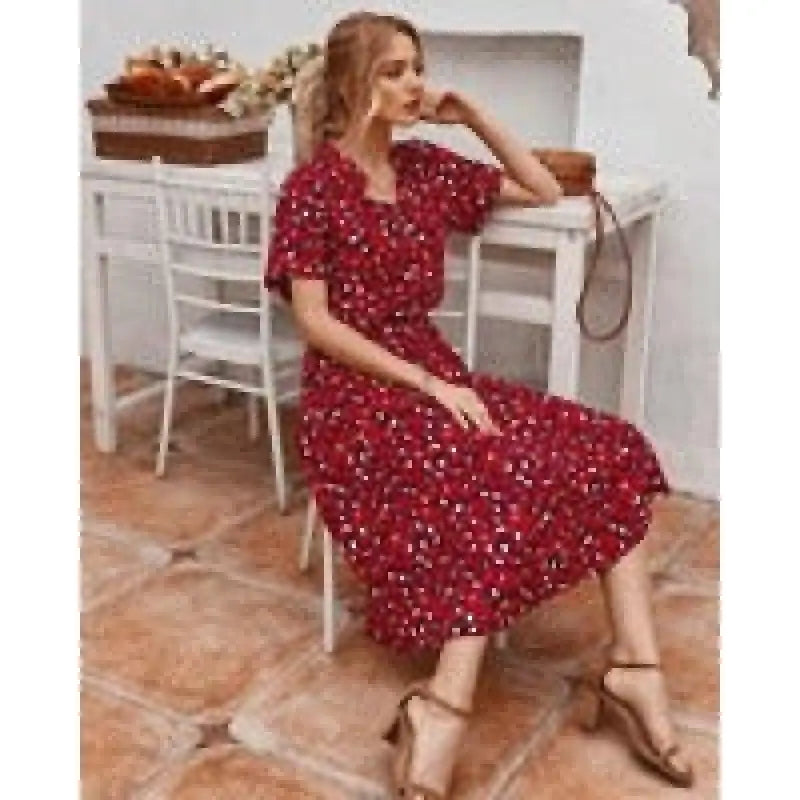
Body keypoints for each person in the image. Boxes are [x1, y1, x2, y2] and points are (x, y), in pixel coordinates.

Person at [265, 10, 693, 799]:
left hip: (437, 376)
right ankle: (442, 710)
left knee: (611, 448)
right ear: (354, 82)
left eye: (417, 67)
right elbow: (316, 322)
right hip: (356, 399)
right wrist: (427, 384)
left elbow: (539, 185)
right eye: (394, 70)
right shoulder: (313, 187)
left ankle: (635, 670)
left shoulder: (427, 166)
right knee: (491, 479)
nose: (414, 83)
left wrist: (475, 117)